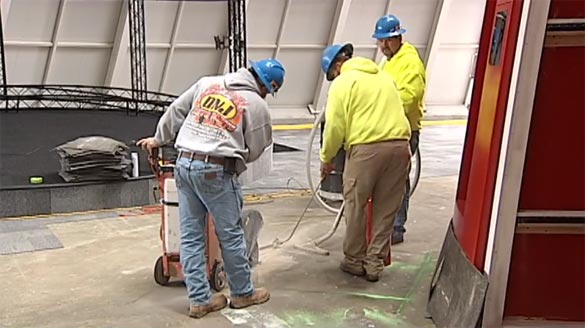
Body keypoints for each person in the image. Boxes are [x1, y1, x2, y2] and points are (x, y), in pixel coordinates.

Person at [137, 58, 285, 318]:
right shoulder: (256, 104)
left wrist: (159, 138)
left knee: (191, 235)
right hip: (215, 170)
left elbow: (175, 110)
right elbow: (258, 147)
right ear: (267, 86)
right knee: (230, 234)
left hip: (183, 164)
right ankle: (242, 292)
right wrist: (236, 156)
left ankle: (199, 299)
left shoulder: (208, 83)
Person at [319, 43, 411, 282]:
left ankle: (354, 261)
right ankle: (374, 263)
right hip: (401, 147)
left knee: (356, 206)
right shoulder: (382, 75)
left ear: (337, 66)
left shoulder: (343, 82)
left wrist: (327, 159)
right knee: (386, 209)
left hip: (366, 150)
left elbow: (335, 127)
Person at [373, 14, 427, 245]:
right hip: (387, 129)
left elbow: (410, 96)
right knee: (386, 180)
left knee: (397, 180)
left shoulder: (409, 61)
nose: (384, 45)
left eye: (388, 40)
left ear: (399, 37)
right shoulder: (388, 61)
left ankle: (396, 228)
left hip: (404, 131)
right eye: (381, 41)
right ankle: (385, 224)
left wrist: (383, 111)